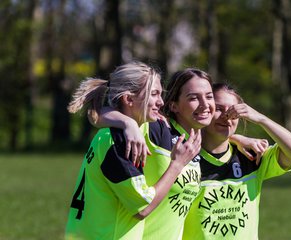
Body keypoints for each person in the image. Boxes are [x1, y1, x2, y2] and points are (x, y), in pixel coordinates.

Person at [94, 68, 268, 240]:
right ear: (173, 105)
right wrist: (128, 123)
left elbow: (216, 137)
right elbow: (97, 113)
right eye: (193, 97)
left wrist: (236, 138)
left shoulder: (195, 143)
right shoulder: (158, 130)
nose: (205, 104)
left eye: (209, 96)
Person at [64, 61, 202, 240]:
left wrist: (128, 123)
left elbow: (99, 114)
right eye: (154, 94)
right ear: (129, 99)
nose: (161, 102)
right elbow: (142, 207)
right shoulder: (119, 141)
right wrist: (177, 165)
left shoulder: (118, 131)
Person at [182, 83, 291, 240]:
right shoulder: (185, 156)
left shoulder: (250, 156)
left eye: (234, 112)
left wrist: (261, 119)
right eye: (219, 108)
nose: (226, 116)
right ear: (206, 110)